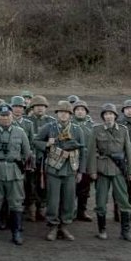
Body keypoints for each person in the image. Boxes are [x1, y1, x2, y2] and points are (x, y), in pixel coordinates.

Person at [0, 104, 32, 245]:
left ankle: (16, 232)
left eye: (7, 115)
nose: (5, 118)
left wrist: (18, 163)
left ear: (12, 116)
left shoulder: (20, 132)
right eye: (2, 115)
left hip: (14, 173)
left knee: (16, 203)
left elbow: (26, 153)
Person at [35, 101, 85, 241]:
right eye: (61, 112)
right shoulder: (49, 127)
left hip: (70, 170)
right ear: (57, 114)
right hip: (53, 170)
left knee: (69, 200)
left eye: (66, 112)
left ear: (70, 115)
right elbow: (36, 141)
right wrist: (47, 144)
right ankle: (53, 226)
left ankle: (64, 226)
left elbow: (83, 151)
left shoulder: (77, 130)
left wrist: (81, 171)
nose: (63, 115)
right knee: (53, 201)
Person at [87, 104, 131, 242]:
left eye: (111, 114)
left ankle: (125, 232)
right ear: (103, 116)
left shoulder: (123, 130)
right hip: (102, 169)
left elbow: (128, 151)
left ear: (115, 116)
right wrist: (92, 171)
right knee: (100, 201)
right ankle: (102, 230)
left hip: (118, 170)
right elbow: (91, 151)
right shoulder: (96, 130)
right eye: (106, 114)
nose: (108, 116)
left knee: (124, 200)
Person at [71, 98, 95, 222]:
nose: (80, 112)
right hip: (71, 159)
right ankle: (70, 211)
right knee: (71, 187)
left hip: (87, 160)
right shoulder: (69, 124)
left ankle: (82, 211)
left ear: (86, 112)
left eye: (82, 110)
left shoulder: (92, 126)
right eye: (77, 110)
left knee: (85, 187)